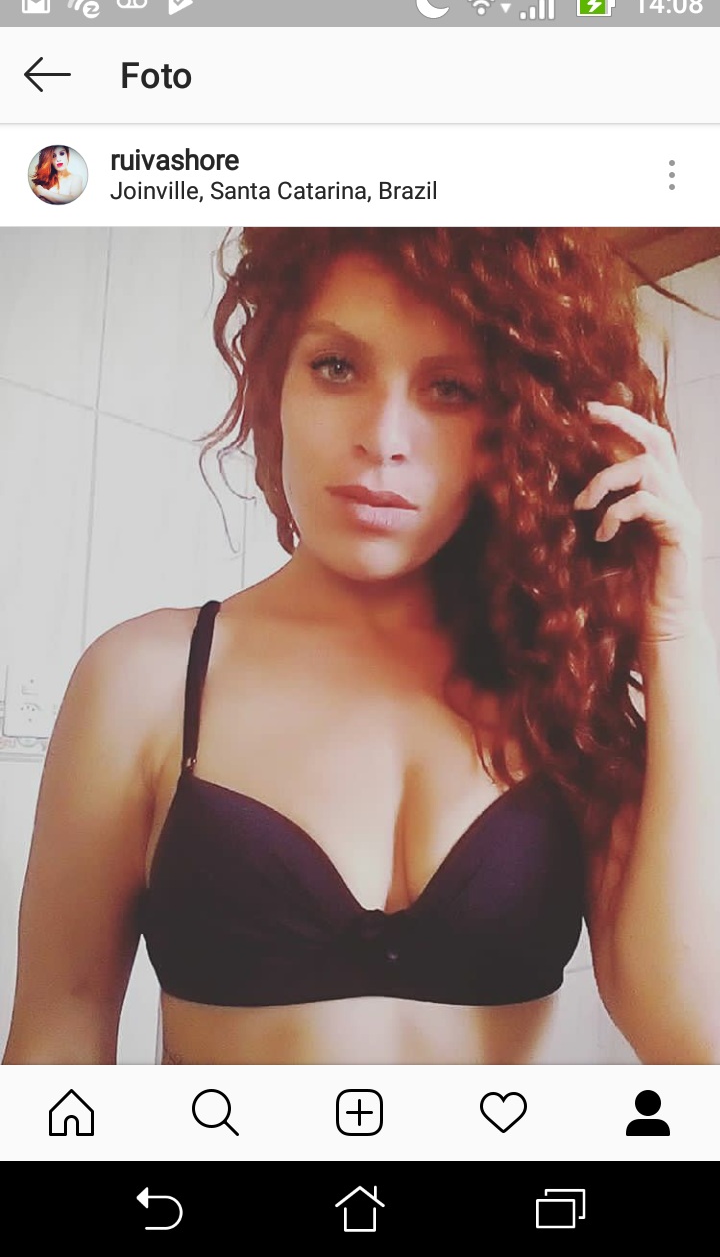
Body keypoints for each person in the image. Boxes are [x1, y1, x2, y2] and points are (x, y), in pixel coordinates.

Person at [3, 227, 719, 1065]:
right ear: (274, 383)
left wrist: (675, 630)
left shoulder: (561, 695)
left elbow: (688, 1033)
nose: (383, 437)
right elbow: (56, 1038)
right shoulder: (145, 681)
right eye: (337, 367)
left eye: (450, 388)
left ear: (515, 426)